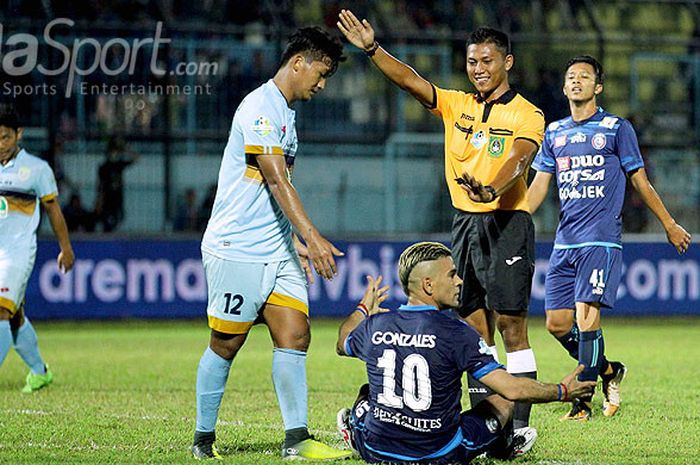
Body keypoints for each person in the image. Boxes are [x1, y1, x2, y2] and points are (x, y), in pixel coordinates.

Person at [337, 10, 545, 434]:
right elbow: (412, 81)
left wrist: (494, 189)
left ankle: (518, 427)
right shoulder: (457, 104)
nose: (479, 70)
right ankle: (489, 421)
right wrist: (374, 50)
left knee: (510, 326)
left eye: (487, 61)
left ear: (507, 62)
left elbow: (519, 156)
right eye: (472, 62)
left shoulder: (528, 113)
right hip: (465, 226)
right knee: (473, 325)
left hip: (507, 224)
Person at [193, 26, 351, 460]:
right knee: (226, 343)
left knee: (296, 334)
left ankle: (296, 438)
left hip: (276, 248)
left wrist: (292, 242)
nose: (322, 84)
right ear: (298, 62)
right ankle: (202, 439)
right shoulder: (259, 107)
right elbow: (277, 180)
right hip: (236, 246)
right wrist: (313, 238)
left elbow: (275, 190)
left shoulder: (286, 112)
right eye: (321, 73)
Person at [528, 55, 691, 420]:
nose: (576, 81)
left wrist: (669, 223)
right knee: (556, 324)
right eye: (571, 76)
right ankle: (607, 371)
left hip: (600, 239)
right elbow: (539, 186)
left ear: (597, 87)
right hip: (564, 241)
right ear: (564, 86)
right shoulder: (555, 132)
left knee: (587, 319)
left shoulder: (617, 128)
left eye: (584, 77)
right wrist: (516, 215)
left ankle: (581, 402)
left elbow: (640, 181)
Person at [335, 242, 596, 464]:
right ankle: (502, 447)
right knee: (502, 402)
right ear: (428, 285)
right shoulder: (457, 333)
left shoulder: (376, 325)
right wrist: (562, 391)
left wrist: (363, 309)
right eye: (451, 275)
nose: (459, 281)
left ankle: (352, 428)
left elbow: (343, 341)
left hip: (377, 451)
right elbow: (513, 390)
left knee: (367, 393)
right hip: (439, 453)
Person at [0, 109, 75, 392]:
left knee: (1, 312)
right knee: (15, 317)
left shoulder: (36, 169)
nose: (0, 144)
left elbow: (53, 211)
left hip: (17, 252)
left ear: (18, 134)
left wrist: (65, 248)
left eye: (5, 137)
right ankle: (39, 370)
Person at [95, 136, 138, 232]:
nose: (114, 154)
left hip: (117, 197)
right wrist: (99, 201)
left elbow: (136, 158)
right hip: (107, 197)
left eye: (116, 151)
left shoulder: (119, 164)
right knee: (107, 220)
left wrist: (126, 149)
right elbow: (100, 185)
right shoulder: (104, 166)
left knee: (119, 218)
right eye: (113, 151)